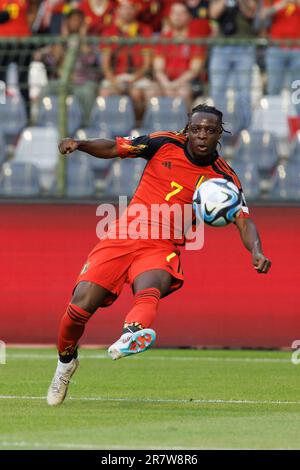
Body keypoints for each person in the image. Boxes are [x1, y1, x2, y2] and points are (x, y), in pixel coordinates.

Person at [47, 103, 272, 406]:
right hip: (123, 236)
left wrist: (256, 251)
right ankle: (65, 363)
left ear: (220, 134)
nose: (202, 135)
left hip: (162, 245)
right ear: (187, 129)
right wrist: (80, 144)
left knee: (150, 286)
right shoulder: (163, 143)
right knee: (79, 307)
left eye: (210, 130)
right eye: (196, 129)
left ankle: (132, 333)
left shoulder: (224, 179)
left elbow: (244, 221)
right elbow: (116, 147)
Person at [209, 0, 259, 130]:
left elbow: (251, 13)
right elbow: (213, 14)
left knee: (243, 93)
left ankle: (245, 130)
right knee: (217, 90)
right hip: (221, 47)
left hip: (244, 47)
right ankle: (217, 128)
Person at [100, 0, 153, 122]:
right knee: (105, 92)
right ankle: (109, 125)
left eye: (130, 8)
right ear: (118, 10)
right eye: (124, 8)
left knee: (137, 93)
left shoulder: (144, 30)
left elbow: (147, 64)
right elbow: (105, 64)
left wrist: (133, 79)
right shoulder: (109, 31)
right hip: (116, 76)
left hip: (138, 77)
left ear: (135, 10)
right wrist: (113, 81)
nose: (127, 11)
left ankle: (138, 127)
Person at [151, 2, 209, 106]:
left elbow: (194, 71)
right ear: (169, 16)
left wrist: (174, 85)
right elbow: (158, 69)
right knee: (151, 91)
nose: (177, 16)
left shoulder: (195, 40)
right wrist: (167, 85)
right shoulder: (163, 39)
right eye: (174, 13)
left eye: (181, 13)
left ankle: (186, 122)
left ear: (189, 17)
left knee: (183, 93)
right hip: (165, 82)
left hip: (187, 83)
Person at [258, 0, 300, 101]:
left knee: (297, 90)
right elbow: (262, 15)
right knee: (273, 88)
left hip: (297, 49)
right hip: (276, 48)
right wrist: (282, 4)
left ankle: (298, 116)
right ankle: (274, 116)